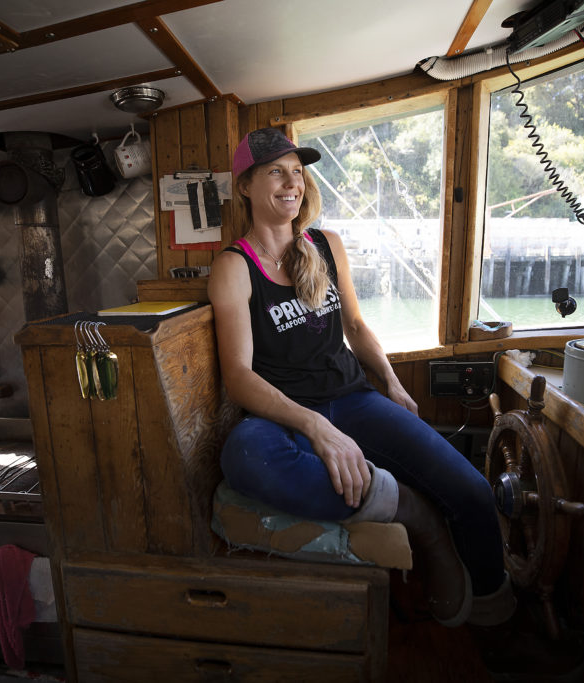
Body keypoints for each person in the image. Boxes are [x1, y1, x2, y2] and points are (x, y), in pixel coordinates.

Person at [208, 126, 515, 627]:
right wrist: (314, 426)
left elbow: (354, 325)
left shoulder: (326, 245)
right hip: (282, 416)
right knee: (244, 454)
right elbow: (238, 376)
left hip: (354, 399)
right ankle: (415, 513)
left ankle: (492, 609)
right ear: (244, 185)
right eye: (275, 172)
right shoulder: (233, 265)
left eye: (298, 173)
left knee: (473, 489)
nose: (292, 183)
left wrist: (392, 385)